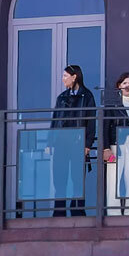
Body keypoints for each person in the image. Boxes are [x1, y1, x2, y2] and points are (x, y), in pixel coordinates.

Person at [49, 64, 98, 215]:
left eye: (65, 76)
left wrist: (88, 144)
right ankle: (59, 212)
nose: (63, 79)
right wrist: (50, 142)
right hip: (61, 143)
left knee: (78, 179)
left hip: (78, 143)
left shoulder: (87, 96)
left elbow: (91, 122)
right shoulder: (62, 97)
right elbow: (55, 120)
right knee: (60, 178)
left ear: (74, 76)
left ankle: (77, 211)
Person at [100, 72, 129, 214]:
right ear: (119, 86)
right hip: (116, 144)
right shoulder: (112, 104)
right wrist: (105, 148)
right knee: (113, 181)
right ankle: (114, 213)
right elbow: (105, 127)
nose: (127, 85)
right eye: (124, 83)